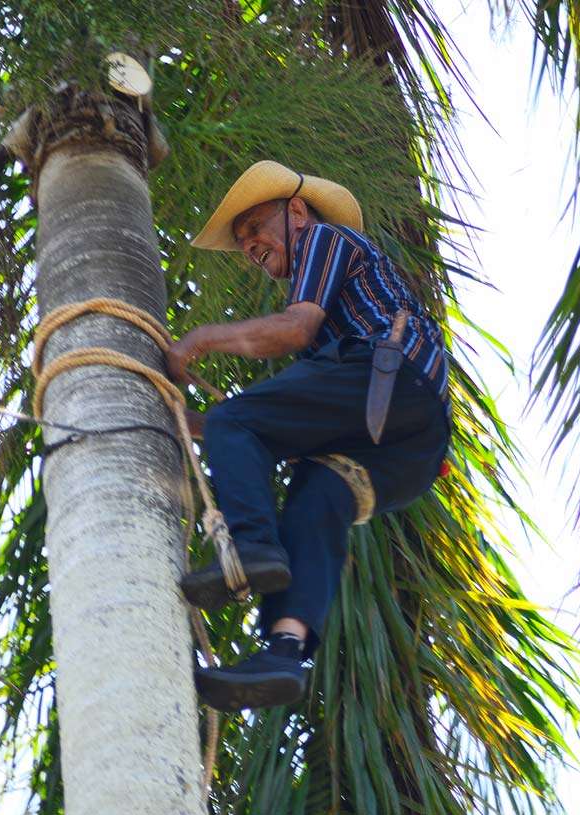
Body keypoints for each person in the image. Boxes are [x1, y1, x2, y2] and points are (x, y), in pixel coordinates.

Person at [165, 160, 451, 712]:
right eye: (243, 240)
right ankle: (284, 650)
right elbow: (268, 429)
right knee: (318, 495)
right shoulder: (334, 325)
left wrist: (197, 340)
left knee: (238, 421)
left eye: (255, 228)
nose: (250, 246)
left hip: (388, 379)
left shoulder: (324, 236)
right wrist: (189, 421)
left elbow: (295, 329)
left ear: (296, 211)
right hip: (411, 445)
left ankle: (250, 551)